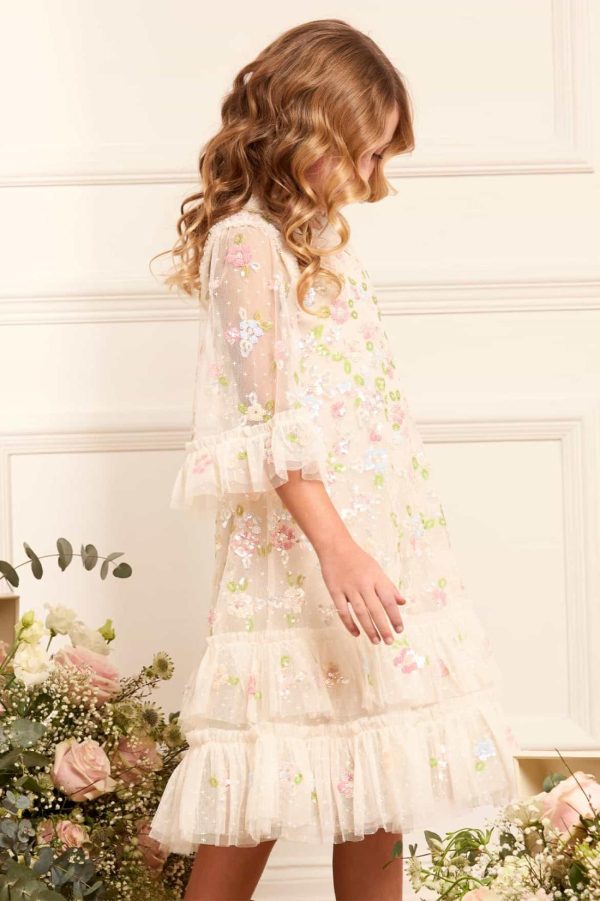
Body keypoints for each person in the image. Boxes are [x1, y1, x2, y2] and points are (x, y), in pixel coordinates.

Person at [149, 18, 520, 901]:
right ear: (310, 128)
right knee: (261, 775)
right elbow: (266, 422)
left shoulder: (323, 241)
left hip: (374, 545)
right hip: (303, 555)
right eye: (365, 151)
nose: (373, 177)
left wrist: (377, 543)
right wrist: (337, 547)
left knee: (380, 769)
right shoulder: (248, 244)